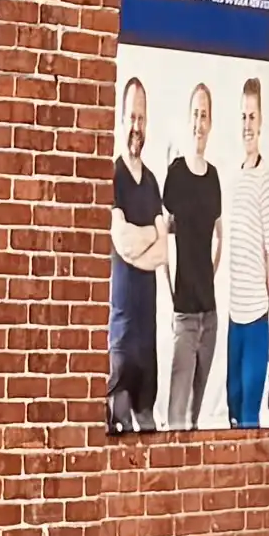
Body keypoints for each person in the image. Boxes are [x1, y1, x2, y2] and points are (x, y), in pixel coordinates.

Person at [158, 77, 226, 431]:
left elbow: (219, 238)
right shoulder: (175, 174)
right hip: (184, 315)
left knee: (195, 422)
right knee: (176, 419)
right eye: (195, 114)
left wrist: (207, 274)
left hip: (210, 317)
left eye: (205, 115)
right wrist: (171, 289)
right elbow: (164, 235)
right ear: (189, 120)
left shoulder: (214, 177)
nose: (200, 122)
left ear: (211, 123)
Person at [104, 73, 163, 434]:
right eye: (131, 118)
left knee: (149, 427)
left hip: (149, 340)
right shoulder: (114, 175)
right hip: (122, 339)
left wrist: (143, 245)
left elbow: (163, 254)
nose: (136, 126)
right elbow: (122, 242)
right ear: (121, 119)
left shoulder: (153, 181)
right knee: (121, 430)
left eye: (141, 118)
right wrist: (151, 234)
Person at [220, 73, 269, 429]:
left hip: (256, 319)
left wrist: (263, 304)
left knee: (248, 418)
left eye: (252, 117)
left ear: (261, 123)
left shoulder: (266, 183)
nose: (247, 124)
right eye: (243, 116)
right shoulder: (235, 176)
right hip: (233, 319)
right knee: (231, 407)